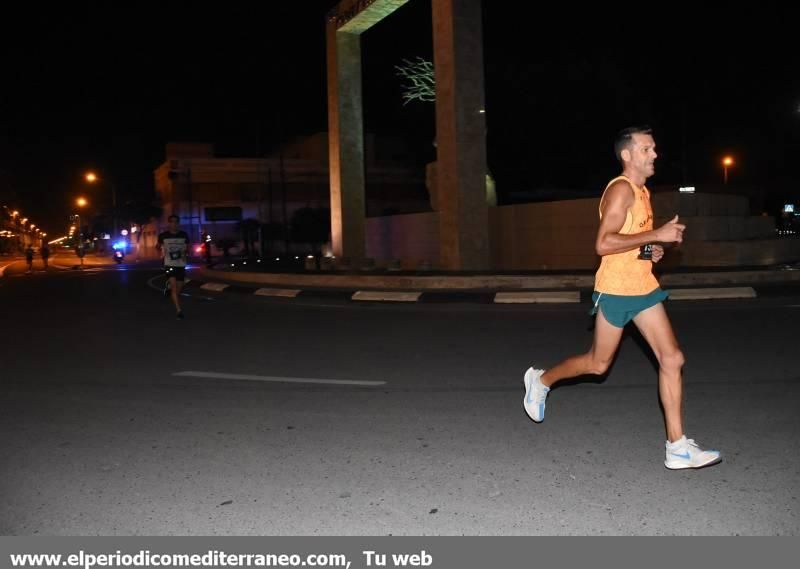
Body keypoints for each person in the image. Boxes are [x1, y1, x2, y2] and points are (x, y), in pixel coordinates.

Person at [522, 126, 721, 470]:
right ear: (628, 155)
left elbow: (627, 240)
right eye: (647, 148)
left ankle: (677, 447)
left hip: (642, 287)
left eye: (655, 148)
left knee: (672, 359)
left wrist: (650, 249)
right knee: (597, 364)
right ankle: (540, 381)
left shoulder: (643, 193)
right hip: (616, 290)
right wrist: (656, 233)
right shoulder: (620, 191)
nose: (655, 154)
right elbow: (603, 244)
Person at [156, 215, 191, 319]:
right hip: (169, 264)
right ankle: (179, 311)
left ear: (178, 223)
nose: (174, 224)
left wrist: (185, 253)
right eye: (172, 222)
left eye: (176, 222)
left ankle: (169, 288)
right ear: (169, 223)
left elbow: (188, 247)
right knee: (174, 288)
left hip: (181, 264)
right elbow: (157, 246)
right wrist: (161, 251)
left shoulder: (184, 235)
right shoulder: (163, 235)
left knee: (180, 287)